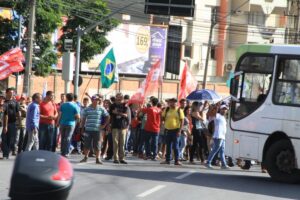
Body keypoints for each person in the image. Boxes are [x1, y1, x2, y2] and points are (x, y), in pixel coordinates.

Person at [80, 95, 110, 164]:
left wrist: (104, 125)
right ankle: (85, 157)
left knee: (98, 144)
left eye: (97, 100)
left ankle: (98, 158)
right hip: (88, 129)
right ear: (92, 100)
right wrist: (82, 128)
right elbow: (84, 119)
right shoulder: (87, 109)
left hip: (98, 130)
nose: (96, 101)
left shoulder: (101, 108)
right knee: (86, 144)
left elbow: (108, 116)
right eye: (95, 100)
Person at [161, 98, 184, 166]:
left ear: (176, 103)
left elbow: (182, 121)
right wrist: (162, 121)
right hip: (167, 130)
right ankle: (167, 160)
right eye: (171, 102)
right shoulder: (167, 109)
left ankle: (176, 160)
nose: (172, 103)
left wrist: (180, 130)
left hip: (176, 130)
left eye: (174, 102)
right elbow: (162, 117)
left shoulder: (179, 110)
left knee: (175, 146)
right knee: (168, 146)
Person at [206, 104, 230, 169]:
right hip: (218, 136)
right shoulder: (217, 115)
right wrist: (214, 107)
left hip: (222, 136)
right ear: (220, 109)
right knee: (215, 149)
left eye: (225, 109)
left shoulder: (224, 118)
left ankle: (223, 165)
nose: (224, 110)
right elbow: (209, 114)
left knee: (222, 151)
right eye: (223, 109)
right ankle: (208, 162)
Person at [56, 93, 80, 157]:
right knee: (68, 138)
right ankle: (66, 152)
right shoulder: (75, 106)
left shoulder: (63, 105)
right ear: (73, 98)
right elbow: (78, 116)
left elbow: (59, 115)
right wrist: (75, 120)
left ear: (66, 98)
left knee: (63, 137)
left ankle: (62, 151)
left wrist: (58, 122)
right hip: (71, 124)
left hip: (62, 123)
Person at [109, 93, 129, 164]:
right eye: (118, 97)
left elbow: (126, 115)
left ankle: (122, 158)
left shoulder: (125, 105)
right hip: (115, 126)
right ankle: (116, 158)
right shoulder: (112, 105)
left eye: (121, 97)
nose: (119, 98)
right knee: (115, 143)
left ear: (122, 97)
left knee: (122, 143)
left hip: (123, 126)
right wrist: (121, 114)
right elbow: (111, 113)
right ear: (116, 97)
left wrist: (117, 113)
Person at [1, 88, 20, 159]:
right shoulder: (4, 102)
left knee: (12, 139)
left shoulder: (15, 102)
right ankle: (5, 154)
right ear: (6, 93)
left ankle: (8, 151)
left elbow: (18, 113)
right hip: (5, 124)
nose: (11, 94)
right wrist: (5, 126)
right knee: (4, 138)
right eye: (10, 92)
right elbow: (5, 114)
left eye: (12, 92)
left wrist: (20, 122)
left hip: (13, 123)